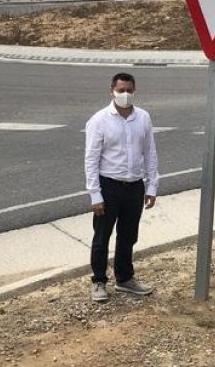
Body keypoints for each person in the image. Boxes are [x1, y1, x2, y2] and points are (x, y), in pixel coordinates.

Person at [84, 72, 159, 302]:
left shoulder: (143, 118)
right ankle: (98, 281)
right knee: (102, 236)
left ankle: (125, 278)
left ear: (135, 91)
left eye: (129, 90)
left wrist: (151, 186)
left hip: (134, 185)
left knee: (128, 235)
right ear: (112, 91)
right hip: (109, 186)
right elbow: (91, 158)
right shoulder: (99, 120)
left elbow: (150, 152)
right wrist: (95, 194)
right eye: (120, 90)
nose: (125, 94)